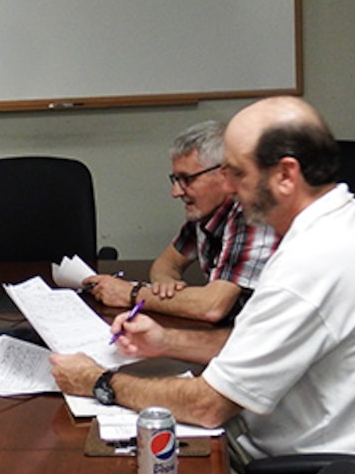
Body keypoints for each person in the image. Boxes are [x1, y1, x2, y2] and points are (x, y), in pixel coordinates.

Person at [51, 95, 355, 471]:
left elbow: (207, 405)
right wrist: (168, 341)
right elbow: (260, 340)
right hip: (344, 461)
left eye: (238, 173)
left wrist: (98, 381)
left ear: (285, 175)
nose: (229, 188)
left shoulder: (312, 264)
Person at [84, 121, 276, 323]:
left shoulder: (252, 215)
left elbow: (212, 306)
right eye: (175, 180)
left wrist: (131, 294)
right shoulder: (208, 213)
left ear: (224, 174)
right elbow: (167, 262)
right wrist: (165, 283)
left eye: (187, 179)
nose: (175, 192)